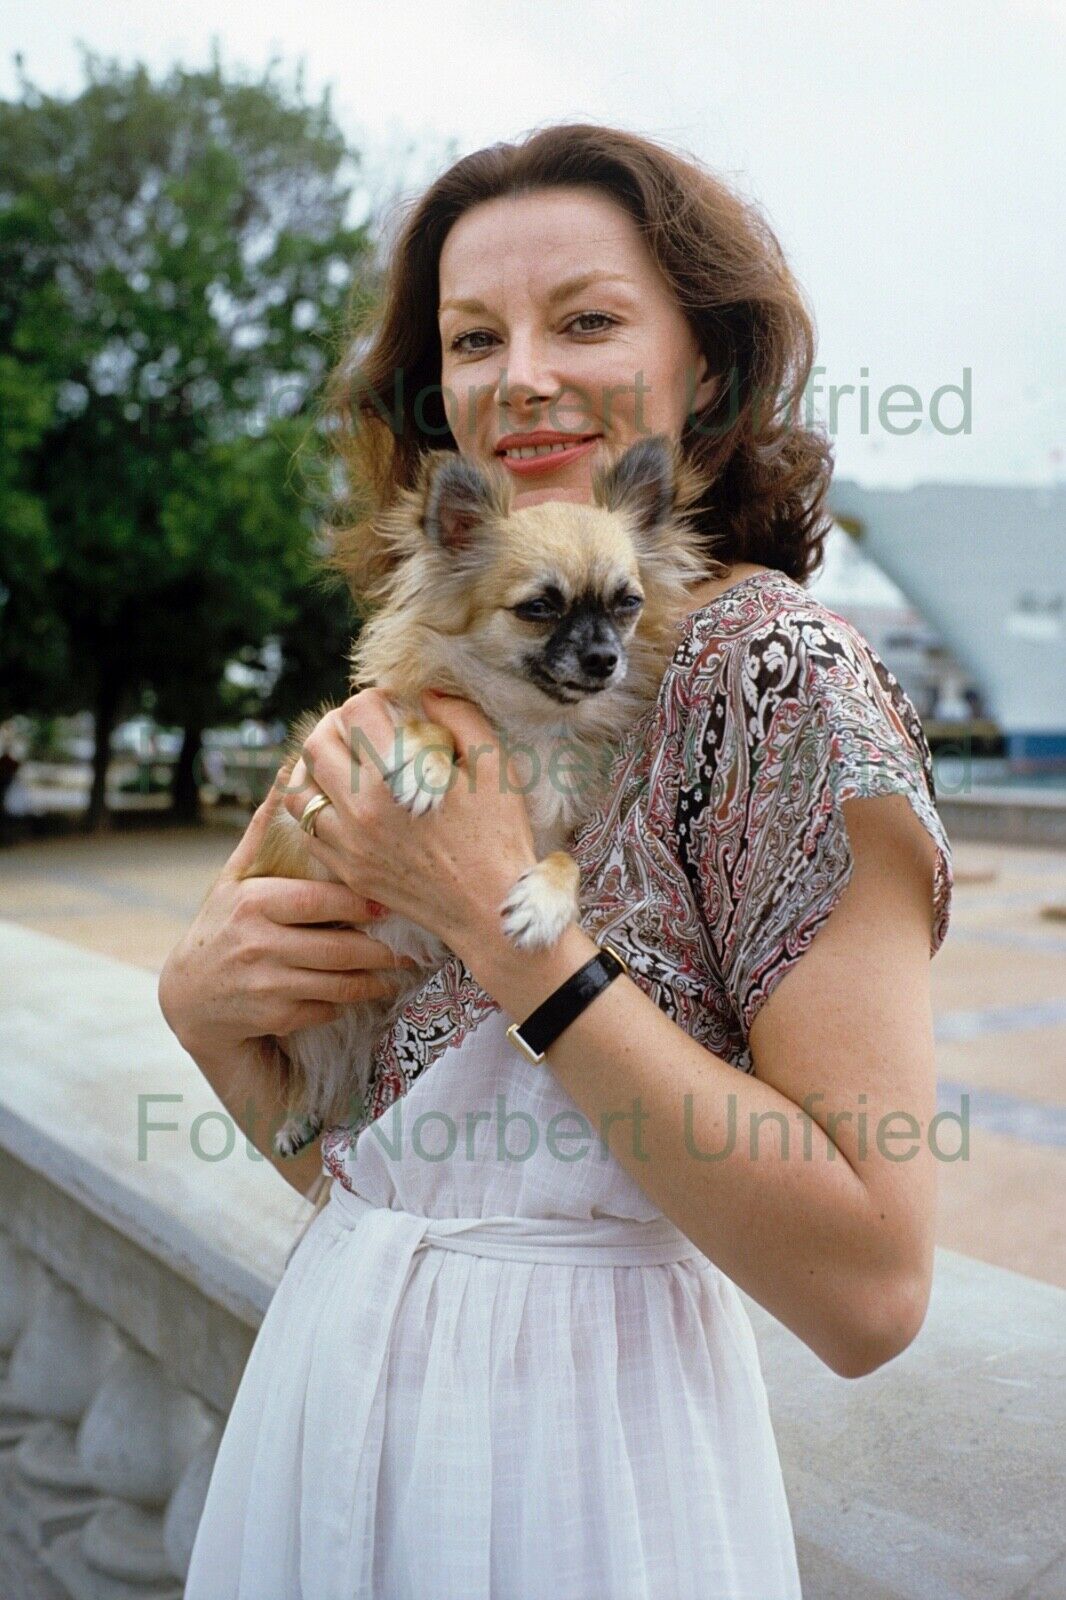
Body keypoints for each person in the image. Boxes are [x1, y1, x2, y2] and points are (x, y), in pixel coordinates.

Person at [163, 123, 953, 1599]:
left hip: (589, 1465)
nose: (517, 373)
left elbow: (871, 1286)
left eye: (583, 320)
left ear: (704, 366)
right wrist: (209, 1027)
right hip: (331, 1388)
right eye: (473, 337)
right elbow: (373, 1182)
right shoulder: (409, 696)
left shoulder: (769, 674)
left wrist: (503, 926)